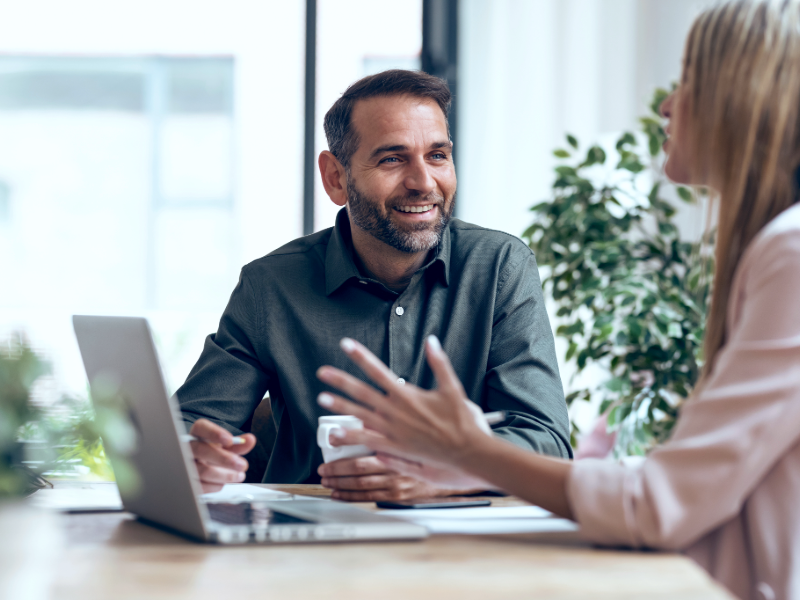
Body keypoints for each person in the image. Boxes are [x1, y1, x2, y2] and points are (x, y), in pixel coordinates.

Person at [315, 1, 800, 598]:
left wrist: (470, 454)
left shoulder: (792, 253)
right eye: (393, 157)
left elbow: (658, 503)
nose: (668, 105)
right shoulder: (775, 249)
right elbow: (689, 492)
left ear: (746, 99)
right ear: (336, 177)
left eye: (690, 81)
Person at [177, 69, 572, 501]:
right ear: (336, 178)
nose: (424, 182)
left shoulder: (499, 267)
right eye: (392, 159)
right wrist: (196, 457)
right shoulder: (270, 285)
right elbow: (190, 424)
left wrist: (447, 473)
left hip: (458, 544)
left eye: (437, 155)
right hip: (307, 539)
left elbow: (547, 442)